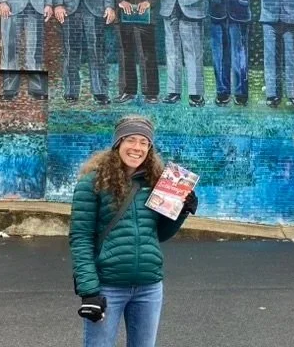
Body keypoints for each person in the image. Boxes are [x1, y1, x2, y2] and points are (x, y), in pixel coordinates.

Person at [69, 115, 198, 347]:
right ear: (118, 142)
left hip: (149, 288)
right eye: (131, 140)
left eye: (143, 142)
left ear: (149, 148)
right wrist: (89, 291)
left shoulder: (157, 182)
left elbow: (158, 235)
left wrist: (181, 212)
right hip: (107, 287)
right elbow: (81, 239)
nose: (137, 148)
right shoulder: (92, 183)